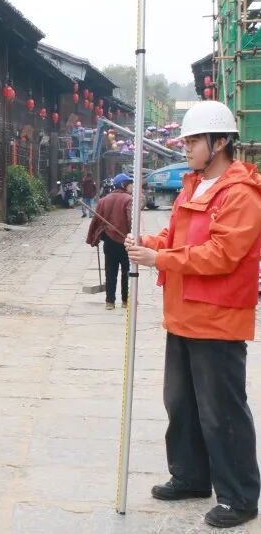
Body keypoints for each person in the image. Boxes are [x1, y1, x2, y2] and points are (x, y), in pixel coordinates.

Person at [126, 100, 261, 529]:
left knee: (221, 410)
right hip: (182, 314)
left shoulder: (241, 194)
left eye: (192, 141)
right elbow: (173, 237)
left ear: (218, 143)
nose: (184, 148)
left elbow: (221, 254)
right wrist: (146, 244)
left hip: (218, 319)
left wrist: (159, 259)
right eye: (184, 141)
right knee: (181, 403)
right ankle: (190, 476)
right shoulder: (193, 187)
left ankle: (239, 497)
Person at [85, 173, 133, 310]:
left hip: (109, 241)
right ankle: (125, 301)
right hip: (126, 242)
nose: (132, 187)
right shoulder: (128, 199)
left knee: (110, 272)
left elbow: (96, 221)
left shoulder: (103, 200)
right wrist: (134, 236)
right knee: (127, 272)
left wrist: (92, 238)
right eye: (130, 184)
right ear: (123, 185)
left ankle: (110, 302)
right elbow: (131, 220)